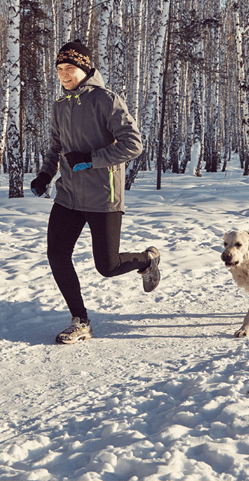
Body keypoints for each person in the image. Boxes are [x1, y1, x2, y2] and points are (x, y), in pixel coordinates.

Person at [30, 40, 161, 344]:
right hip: (68, 196)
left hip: (103, 195)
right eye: (60, 69)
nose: (64, 74)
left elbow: (133, 144)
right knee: (57, 254)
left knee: (108, 266)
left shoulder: (106, 100)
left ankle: (146, 261)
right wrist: (45, 174)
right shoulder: (60, 106)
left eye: (70, 68)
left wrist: (91, 159)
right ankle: (80, 321)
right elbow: (56, 148)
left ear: (85, 69)